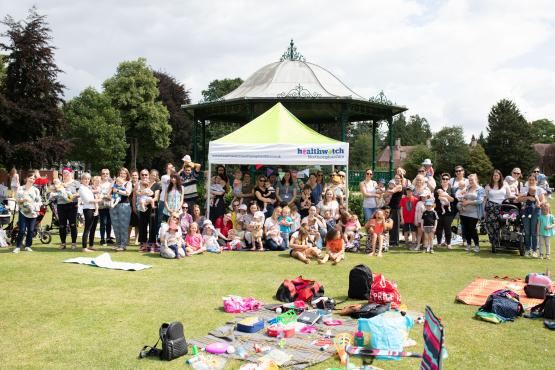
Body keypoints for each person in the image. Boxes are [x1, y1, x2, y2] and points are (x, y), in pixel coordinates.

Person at [13, 173, 41, 253]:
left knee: (31, 230)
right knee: (21, 230)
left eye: (33, 179)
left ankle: (28, 246)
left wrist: (37, 210)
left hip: (33, 213)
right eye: (30, 178)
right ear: (27, 178)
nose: (32, 180)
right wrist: (24, 200)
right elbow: (17, 200)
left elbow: (39, 201)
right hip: (23, 212)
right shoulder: (20, 188)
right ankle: (18, 246)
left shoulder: (36, 190)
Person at [518, 174, 545, 257]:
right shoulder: (524, 189)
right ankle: (527, 249)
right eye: (530, 179)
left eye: (533, 180)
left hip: (536, 211)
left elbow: (543, 200)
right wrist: (528, 198)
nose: (531, 181)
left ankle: (534, 250)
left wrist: (538, 203)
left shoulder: (540, 189)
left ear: (536, 181)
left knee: (534, 232)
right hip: (525, 211)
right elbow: (519, 199)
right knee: (527, 232)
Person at [484, 169, 511, 251]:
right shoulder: (488, 186)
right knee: (491, 226)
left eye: (497, 175)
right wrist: (484, 211)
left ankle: (502, 242)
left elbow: (509, 195)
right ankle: (494, 243)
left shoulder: (505, 184)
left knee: (502, 225)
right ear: (492, 176)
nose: (495, 177)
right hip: (491, 207)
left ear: (500, 176)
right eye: (494, 175)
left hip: (502, 207)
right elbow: (485, 199)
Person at [459, 174, 485, 253]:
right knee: (466, 229)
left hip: (474, 213)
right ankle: (468, 244)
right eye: (469, 180)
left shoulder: (480, 189)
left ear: (476, 180)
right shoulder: (468, 188)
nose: (470, 182)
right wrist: (463, 200)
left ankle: (477, 245)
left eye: (472, 180)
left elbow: (480, 201)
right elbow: (464, 197)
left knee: (472, 229)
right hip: (464, 212)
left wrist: (468, 202)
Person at [56, 168, 81, 250]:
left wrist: (72, 196)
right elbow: (54, 193)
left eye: (67, 173)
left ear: (71, 173)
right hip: (61, 205)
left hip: (72, 205)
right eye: (64, 173)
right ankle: (63, 243)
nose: (65, 175)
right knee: (62, 225)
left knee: (73, 224)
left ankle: (73, 243)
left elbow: (79, 193)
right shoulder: (59, 184)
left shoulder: (76, 183)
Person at [109, 167, 133, 251]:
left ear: (127, 174)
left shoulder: (128, 183)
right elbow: (110, 192)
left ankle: (123, 245)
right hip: (114, 206)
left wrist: (117, 191)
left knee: (123, 226)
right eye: (121, 173)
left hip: (124, 206)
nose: (122, 175)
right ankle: (118, 243)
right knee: (115, 225)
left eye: (124, 173)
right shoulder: (115, 182)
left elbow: (128, 193)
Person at [78, 173, 102, 252]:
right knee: (87, 228)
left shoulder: (88, 188)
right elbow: (87, 200)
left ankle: (91, 245)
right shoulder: (81, 188)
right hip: (88, 209)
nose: (87, 180)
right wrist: (99, 200)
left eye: (88, 179)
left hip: (94, 209)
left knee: (93, 229)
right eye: (85, 179)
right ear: (82, 180)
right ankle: (84, 247)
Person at [434, 173, 455, 248]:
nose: (445, 180)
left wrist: (445, 195)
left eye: (447, 179)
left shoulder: (451, 189)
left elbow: (453, 200)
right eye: (444, 179)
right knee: (439, 227)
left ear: (449, 180)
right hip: (439, 211)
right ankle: (439, 243)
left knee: (447, 227)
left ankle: (448, 243)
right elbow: (438, 197)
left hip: (449, 212)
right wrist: (446, 196)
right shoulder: (437, 188)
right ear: (441, 180)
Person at [136, 170, 155, 252]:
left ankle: (151, 244)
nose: (144, 176)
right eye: (142, 174)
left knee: (151, 226)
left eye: (146, 174)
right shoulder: (138, 184)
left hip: (150, 207)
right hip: (142, 207)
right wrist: (143, 192)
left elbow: (153, 195)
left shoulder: (152, 183)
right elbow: (136, 194)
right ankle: (143, 244)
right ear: (140, 175)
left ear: (148, 175)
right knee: (142, 226)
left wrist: (146, 196)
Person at [386, 176, 403, 247]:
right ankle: (390, 241)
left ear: (401, 179)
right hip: (390, 207)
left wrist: (384, 190)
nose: (396, 179)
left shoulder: (399, 186)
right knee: (390, 224)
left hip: (396, 208)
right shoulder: (393, 186)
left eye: (398, 178)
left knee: (395, 225)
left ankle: (395, 242)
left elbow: (392, 191)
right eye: (395, 178)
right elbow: (386, 195)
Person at [98, 169, 114, 246]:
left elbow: (112, 195)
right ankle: (102, 239)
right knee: (103, 223)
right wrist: (106, 196)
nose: (105, 175)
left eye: (107, 174)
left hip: (110, 205)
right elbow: (98, 195)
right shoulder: (99, 184)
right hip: (101, 205)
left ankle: (108, 238)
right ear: (101, 174)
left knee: (109, 223)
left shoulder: (111, 184)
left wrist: (105, 196)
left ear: (109, 175)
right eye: (103, 173)